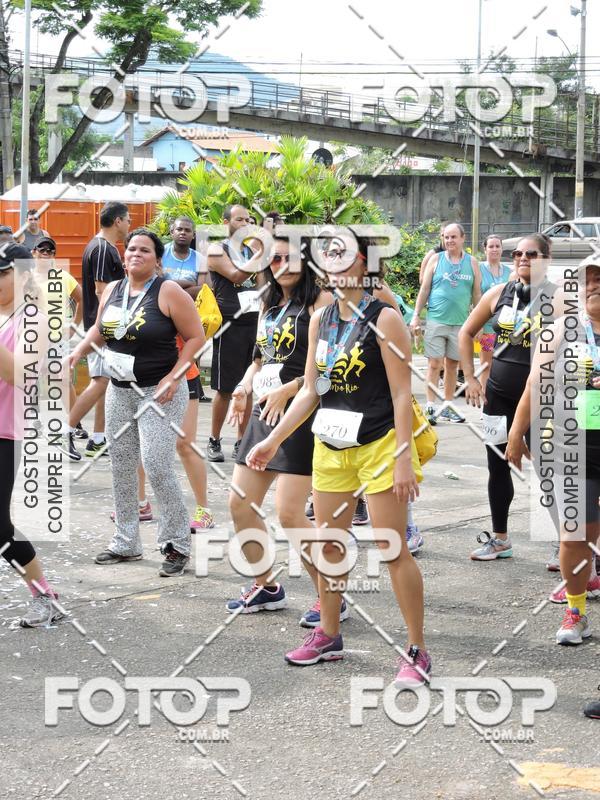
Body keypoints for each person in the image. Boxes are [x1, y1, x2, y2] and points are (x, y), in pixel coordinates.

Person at [245, 234, 431, 685]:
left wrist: (404, 458)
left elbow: (404, 392)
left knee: (391, 546)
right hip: (331, 446)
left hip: (379, 443)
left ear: (363, 263)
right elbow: (311, 389)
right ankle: (329, 635)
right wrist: (273, 440)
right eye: (327, 254)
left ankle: (416, 650)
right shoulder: (322, 319)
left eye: (342, 253)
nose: (332, 261)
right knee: (329, 545)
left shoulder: (385, 318)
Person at [69, 228, 205, 576]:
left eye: (144, 250)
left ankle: (176, 544)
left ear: (157, 259)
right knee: (121, 466)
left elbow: (195, 337)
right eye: (131, 249)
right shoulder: (113, 289)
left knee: (156, 463)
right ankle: (126, 540)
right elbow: (101, 328)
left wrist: (174, 376)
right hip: (119, 390)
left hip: (158, 391)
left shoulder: (169, 291)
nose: (135, 254)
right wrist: (78, 351)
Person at [225, 236, 334, 624]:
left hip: (301, 417)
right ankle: (265, 585)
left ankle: (329, 597)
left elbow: (326, 371)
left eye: (288, 257)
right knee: (239, 504)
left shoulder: (321, 303)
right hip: (263, 411)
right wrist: (241, 388)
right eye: (273, 258)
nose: (279, 264)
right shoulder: (268, 302)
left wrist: (289, 391)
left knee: (289, 514)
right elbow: (259, 360)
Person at [506, 258, 600, 645]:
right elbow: (534, 384)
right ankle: (576, 610)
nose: (594, 285)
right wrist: (516, 433)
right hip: (569, 446)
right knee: (573, 536)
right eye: (588, 279)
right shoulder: (560, 329)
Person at [460, 234, 558, 561]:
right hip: (497, 400)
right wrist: (472, 377)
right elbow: (467, 333)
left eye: (531, 253)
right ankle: (500, 539)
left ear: (546, 258)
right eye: (518, 253)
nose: (522, 258)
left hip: (541, 402)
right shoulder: (499, 293)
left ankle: (569, 544)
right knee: (498, 467)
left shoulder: (558, 300)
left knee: (550, 470)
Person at [0, 243, 64, 626]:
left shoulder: (35, 320)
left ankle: (45, 596)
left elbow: (17, 375)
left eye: (2, 273)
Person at [67, 202, 130, 460]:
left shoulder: (99, 246)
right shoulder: (104, 249)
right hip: (103, 327)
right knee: (101, 382)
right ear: (117, 221)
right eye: (127, 220)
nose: (129, 225)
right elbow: (101, 290)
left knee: (106, 383)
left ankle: (98, 438)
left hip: (103, 325)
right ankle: (67, 430)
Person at [207, 204, 264, 462]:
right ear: (226, 221)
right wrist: (260, 252)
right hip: (229, 323)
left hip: (253, 322)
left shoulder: (250, 250)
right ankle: (214, 440)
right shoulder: (217, 250)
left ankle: (242, 441)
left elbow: (262, 284)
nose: (245, 223)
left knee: (247, 386)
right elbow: (237, 276)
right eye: (239, 219)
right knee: (224, 388)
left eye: (248, 220)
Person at [411, 223, 481, 424]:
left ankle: (448, 406)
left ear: (462, 238)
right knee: (434, 364)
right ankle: (431, 407)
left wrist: (478, 323)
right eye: (446, 237)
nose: (449, 240)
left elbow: (477, 294)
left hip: (460, 324)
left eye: (453, 237)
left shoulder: (472, 262)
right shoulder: (436, 259)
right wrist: (416, 315)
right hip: (436, 320)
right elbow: (424, 290)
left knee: (452, 365)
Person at [32, 236, 84, 433]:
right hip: (32, 338)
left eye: (50, 251)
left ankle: (74, 422)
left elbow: (81, 299)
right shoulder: (25, 277)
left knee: (62, 380)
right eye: (42, 250)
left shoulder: (63, 276)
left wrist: (73, 327)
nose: (46, 254)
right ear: (33, 252)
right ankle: (32, 420)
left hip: (57, 338)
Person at [162, 215, 210, 402]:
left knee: (191, 355)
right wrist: (187, 284)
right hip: (163, 317)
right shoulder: (161, 254)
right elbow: (156, 284)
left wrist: (170, 285)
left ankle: (192, 392)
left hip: (189, 318)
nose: (183, 233)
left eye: (187, 230)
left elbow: (203, 290)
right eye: (179, 229)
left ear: (193, 235)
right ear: (172, 232)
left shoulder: (200, 259)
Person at [477, 235, 512, 396]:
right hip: (486, 327)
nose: (494, 249)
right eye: (491, 246)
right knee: (486, 364)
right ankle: (485, 399)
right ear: (485, 249)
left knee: (503, 365)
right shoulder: (478, 269)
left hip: (506, 328)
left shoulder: (510, 272)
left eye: (497, 246)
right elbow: (473, 297)